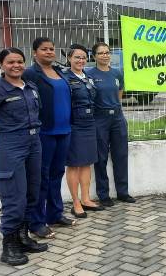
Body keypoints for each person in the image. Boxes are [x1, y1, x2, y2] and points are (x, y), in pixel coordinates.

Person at [0, 48, 48, 265]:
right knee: (14, 198)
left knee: (31, 193)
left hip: (34, 143)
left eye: (19, 61)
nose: (16, 65)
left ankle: (22, 238)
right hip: (10, 145)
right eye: (10, 62)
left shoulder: (31, 87)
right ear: (1, 65)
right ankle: (8, 248)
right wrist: (1, 141)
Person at [23, 37, 75, 239]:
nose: (49, 52)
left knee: (56, 174)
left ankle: (55, 214)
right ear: (35, 53)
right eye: (44, 49)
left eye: (52, 49)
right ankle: (36, 222)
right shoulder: (30, 73)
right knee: (41, 178)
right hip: (44, 133)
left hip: (64, 131)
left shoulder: (60, 72)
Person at [86, 42, 135, 206]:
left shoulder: (117, 73)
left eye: (107, 52)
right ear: (94, 56)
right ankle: (103, 195)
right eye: (101, 53)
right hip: (100, 119)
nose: (105, 55)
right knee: (100, 158)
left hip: (117, 119)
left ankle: (123, 192)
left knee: (121, 155)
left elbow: (119, 94)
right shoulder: (90, 74)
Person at [64, 44, 104, 218]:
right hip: (74, 124)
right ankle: (75, 203)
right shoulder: (64, 77)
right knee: (74, 164)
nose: (81, 60)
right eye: (77, 57)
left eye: (83, 57)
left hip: (89, 123)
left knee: (87, 162)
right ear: (69, 59)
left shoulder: (87, 77)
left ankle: (86, 199)